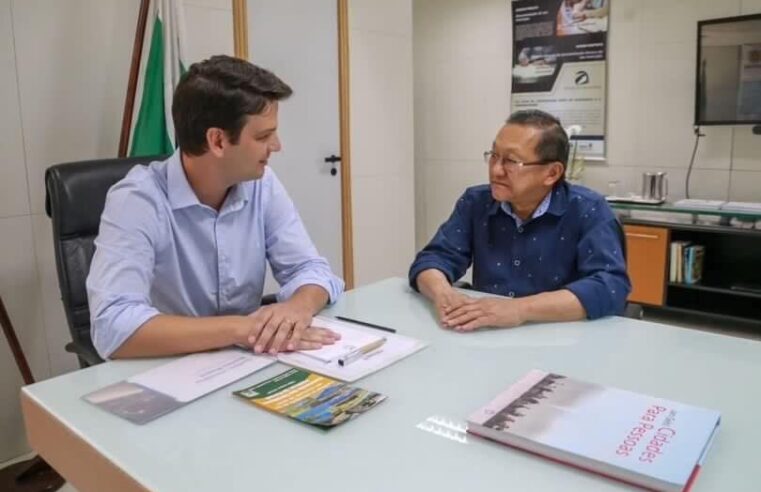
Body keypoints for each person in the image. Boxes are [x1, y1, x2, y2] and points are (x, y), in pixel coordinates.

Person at [87, 55, 344, 359]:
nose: (276, 146)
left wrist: (297, 308)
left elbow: (310, 269)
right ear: (218, 141)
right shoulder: (137, 200)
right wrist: (241, 329)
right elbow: (113, 326)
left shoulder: (261, 184)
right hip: (169, 369)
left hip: (247, 361)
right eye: (263, 136)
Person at [409, 109, 630, 331]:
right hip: (487, 334)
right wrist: (443, 293)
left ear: (552, 173)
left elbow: (609, 286)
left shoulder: (589, 210)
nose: (496, 170)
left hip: (562, 337)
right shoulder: (476, 202)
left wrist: (519, 309)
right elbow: (434, 258)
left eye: (511, 161)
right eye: (494, 156)